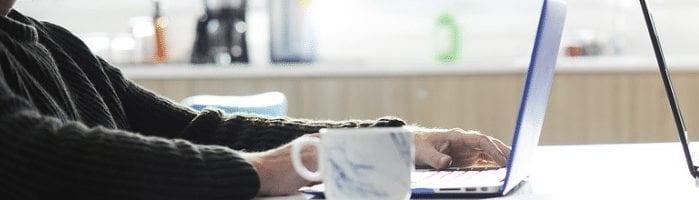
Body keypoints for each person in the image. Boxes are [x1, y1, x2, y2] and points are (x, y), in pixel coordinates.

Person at [0, 1, 511, 199]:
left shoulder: (54, 43)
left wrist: (396, 141)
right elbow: (28, 153)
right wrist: (269, 169)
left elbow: (195, 130)